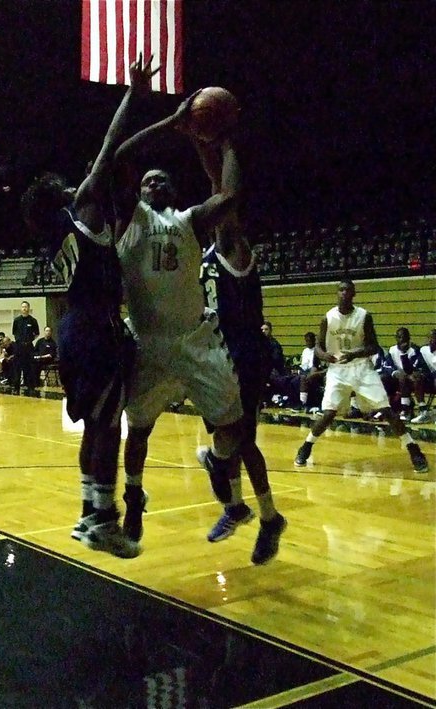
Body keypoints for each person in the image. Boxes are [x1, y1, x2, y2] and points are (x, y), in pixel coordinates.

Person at [112, 90, 266, 553]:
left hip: (196, 339)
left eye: (162, 180)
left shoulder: (189, 222)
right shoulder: (130, 219)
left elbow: (230, 196)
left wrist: (225, 140)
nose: (155, 184)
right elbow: (120, 157)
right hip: (149, 344)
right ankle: (133, 496)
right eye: (148, 181)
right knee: (138, 431)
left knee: (235, 429)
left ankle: (219, 465)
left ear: (173, 191)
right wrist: (172, 123)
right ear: (138, 191)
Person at [21, 55, 157, 557]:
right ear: (63, 198)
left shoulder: (57, 235)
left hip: (73, 331)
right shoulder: (82, 212)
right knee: (107, 425)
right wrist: (134, 95)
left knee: (95, 423)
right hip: (96, 330)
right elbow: (108, 148)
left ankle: (87, 511)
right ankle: (104, 519)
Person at [195, 138, 287, 564]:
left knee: (241, 440)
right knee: (230, 439)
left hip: (245, 354)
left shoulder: (235, 248)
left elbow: (226, 192)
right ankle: (237, 507)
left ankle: (267, 516)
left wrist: (227, 143)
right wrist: (200, 144)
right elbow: (216, 190)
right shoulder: (207, 251)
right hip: (217, 355)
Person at [294, 280, 428, 474]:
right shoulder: (328, 318)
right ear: (337, 293)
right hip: (337, 370)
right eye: (341, 290)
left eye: (348, 290)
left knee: (386, 410)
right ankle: (305, 447)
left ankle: (413, 449)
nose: (344, 293)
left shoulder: (364, 316)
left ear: (353, 294)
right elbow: (318, 346)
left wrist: (355, 354)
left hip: (362, 368)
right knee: (329, 413)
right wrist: (323, 355)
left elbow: (374, 347)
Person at [384, 326, 425, 420]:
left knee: (405, 378)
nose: (403, 340)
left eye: (405, 337)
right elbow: (386, 365)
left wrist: (403, 353)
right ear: (396, 338)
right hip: (397, 377)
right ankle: (386, 407)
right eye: (400, 337)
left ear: (409, 338)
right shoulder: (392, 350)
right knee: (383, 378)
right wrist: (395, 373)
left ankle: (406, 408)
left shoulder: (415, 350)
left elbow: (411, 369)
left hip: (411, 378)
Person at [11, 301, 39, 393]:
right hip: (19, 347)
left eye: (26, 307)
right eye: (23, 307)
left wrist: (29, 340)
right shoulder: (16, 320)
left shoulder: (33, 320)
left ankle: (30, 387)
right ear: (21, 308)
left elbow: (36, 334)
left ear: (28, 308)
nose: (24, 308)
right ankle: (16, 388)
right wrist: (20, 341)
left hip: (29, 347)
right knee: (17, 368)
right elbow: (14, 332)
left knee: (29, 368)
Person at [412, 329, 436, 424]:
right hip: (431, 380)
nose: (430, 340)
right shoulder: (424, 350)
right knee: (417, 378)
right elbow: (417, 366)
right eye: (429, 338)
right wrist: (417, 372)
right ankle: (424, 411)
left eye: (433, 338)